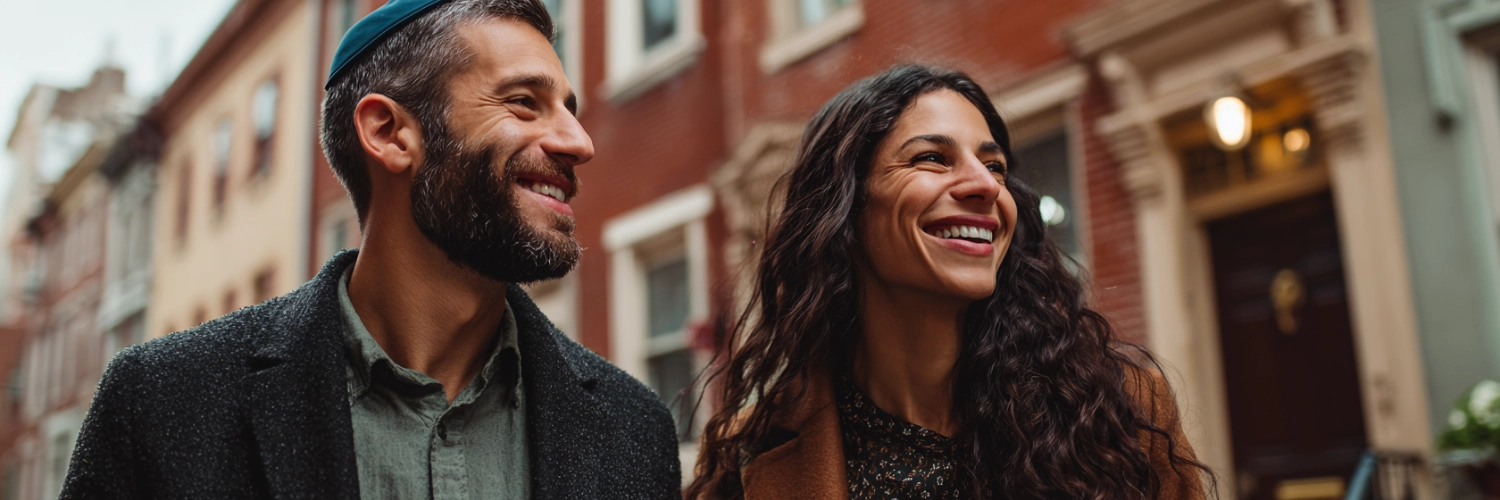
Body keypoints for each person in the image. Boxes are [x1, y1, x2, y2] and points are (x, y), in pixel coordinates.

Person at [61, 0, 681, 498]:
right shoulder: (160, 402)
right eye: (525, 103)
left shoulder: (634, 430)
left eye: (569, 110)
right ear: (388, 132)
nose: (580, 141)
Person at [687, 65, 1214, 500]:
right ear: (842, 213)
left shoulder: (1123, 411)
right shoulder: (749, 453)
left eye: (995, 166)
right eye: (932, 159)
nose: (985, 185)